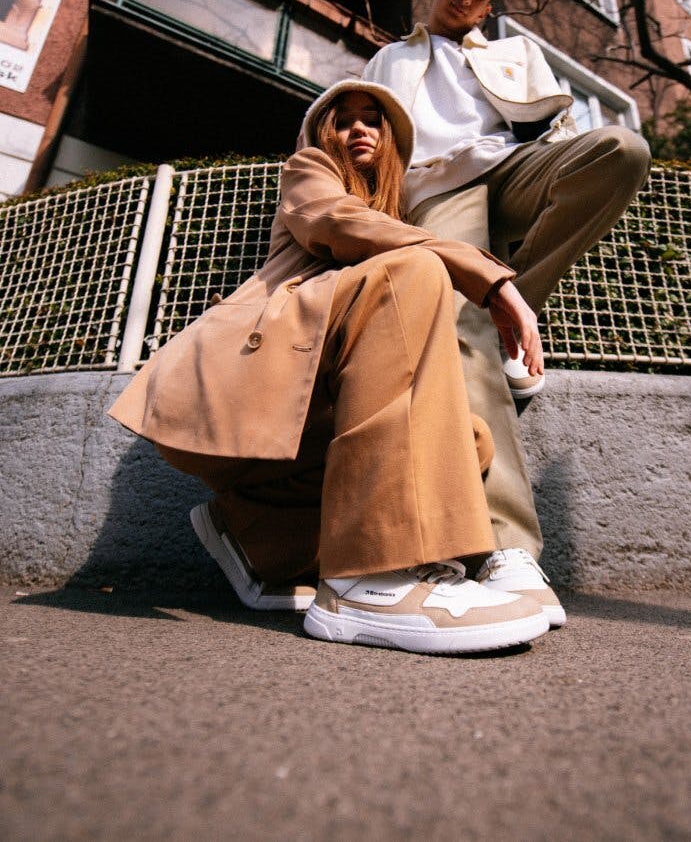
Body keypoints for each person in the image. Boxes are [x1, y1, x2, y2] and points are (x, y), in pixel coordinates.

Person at [108, 79, 552, 654]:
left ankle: (257, 535)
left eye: (373, 120)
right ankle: (370, 576)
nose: (359, 128)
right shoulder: (309, 170)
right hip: (252, 391)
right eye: (344, 120)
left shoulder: (396, 220)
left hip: (309, 414)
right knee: (413, 270)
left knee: (470, 442)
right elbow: (335, 222)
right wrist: (484, 276)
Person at [364, 0, 652, 623]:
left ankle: (512, 313)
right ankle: (508, 547)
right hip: (441, 187)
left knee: (622, 149)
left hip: (516, 168)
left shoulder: (513, 54)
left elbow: (560, 127)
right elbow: (357, 138)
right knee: (462, 323)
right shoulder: (392, 57)